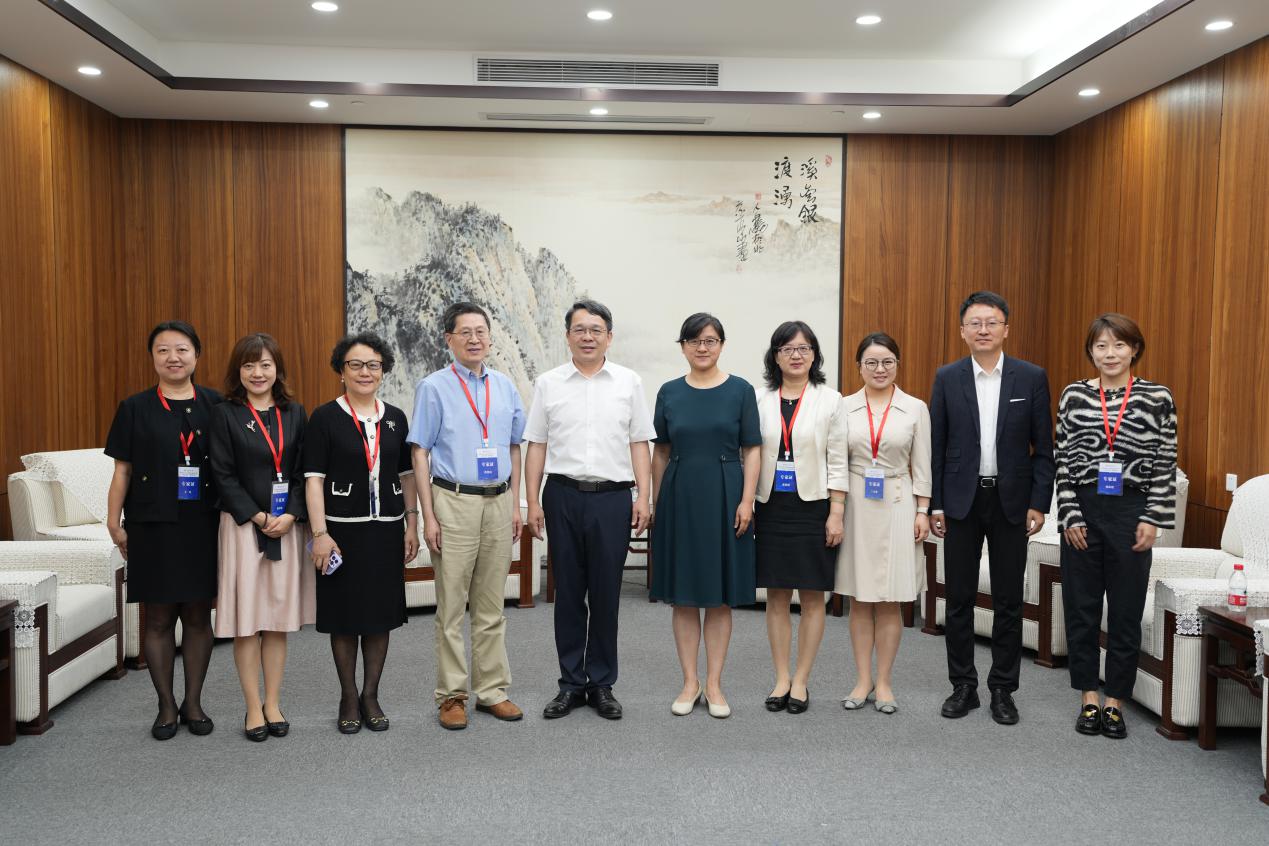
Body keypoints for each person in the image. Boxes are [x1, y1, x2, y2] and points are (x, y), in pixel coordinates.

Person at [525, 300, 656, 721]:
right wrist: (532, 501)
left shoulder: (628, 382)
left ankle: (601, 683)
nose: (587, 336)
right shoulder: (549, 383)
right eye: (579, 329)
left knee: (605, 594)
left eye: (595, 330)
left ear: (608, 337)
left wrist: (643, 497)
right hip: (562, 495)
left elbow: (639, 442)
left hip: (612, 499)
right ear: (568, 336)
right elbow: (537, 444)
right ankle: (569, 683)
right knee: (567, 594)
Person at [929, 291, 1055, 725]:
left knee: (1008, 600)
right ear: (963, 331)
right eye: (975, 323)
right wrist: (936, 504)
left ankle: (1003, 688)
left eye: (992, 322)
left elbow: (1044, 448)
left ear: (1006, 329)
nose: (983, 330)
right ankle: (963, 685)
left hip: (1012, 502)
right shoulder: (947, 377)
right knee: (958, 598)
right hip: (960, 501)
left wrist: (1039, 501)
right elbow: (937, 446)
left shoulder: (1031, 377)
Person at [1056, 314, 1177, 739]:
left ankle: (1115, 702)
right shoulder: (1073, 395)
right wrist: (1069, 513)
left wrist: (1153, 517)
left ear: (1134, 349)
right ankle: (1089, 696)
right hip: (1083, 509)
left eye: (1119, 345)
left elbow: (1165, 461)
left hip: (1132, 510)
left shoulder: (1157, 397)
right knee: (1081, 608)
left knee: (1125, 610)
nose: (1110, 354)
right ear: (1091, 352)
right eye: (1101, 346)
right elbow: (1062, 459)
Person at [409, 303, 526, 731]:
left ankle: (492, 690)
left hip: (498, 501)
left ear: (490, 338)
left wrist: (515, 504)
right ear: (449, 339)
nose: (474, 339)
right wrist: (429, 516)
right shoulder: (433, 387)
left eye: (481, 331)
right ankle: (452, 695)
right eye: (465, 332)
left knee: (492, 605)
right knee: (452, 607)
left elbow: (514, 446)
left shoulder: (505, 386)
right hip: (453, 501)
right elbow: (419, 452)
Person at [105, 321, 223, 740]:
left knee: (197, 615)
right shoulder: (134, 408)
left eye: (182, 349)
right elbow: (122, 470)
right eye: (163, 350)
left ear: (196, 355)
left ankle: (193, 702)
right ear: (153, 357)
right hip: (151, 524)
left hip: (203, 523)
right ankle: (166, 705)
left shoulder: (216, 404)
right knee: (157, 617)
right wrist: (113, 522)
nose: (173, 357)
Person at [304, 332, 419, 734]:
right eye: (355, 364)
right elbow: (314, 480)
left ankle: (371, 695)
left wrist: (412, 523)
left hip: (386, 531)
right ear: (342, 371)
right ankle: (348, 696)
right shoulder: (325, 418)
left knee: (379, 616)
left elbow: (406, 475)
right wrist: (320, 533)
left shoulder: (396, 418)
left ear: (383, 370)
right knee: (344, 618)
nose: (365, 372)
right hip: (340, 533)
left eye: (373, 365)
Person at [651, 313, 762, 719]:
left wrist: (747, 500)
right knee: (683, 596)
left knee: (718, 598)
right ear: (683, 346)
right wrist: (656, 503)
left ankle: (714, 684)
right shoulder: (669, 392)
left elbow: (752, 448)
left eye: (710, 340)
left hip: (726, 496)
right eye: (694, 340)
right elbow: (661, 450)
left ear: (721, 345)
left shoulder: (740, 390)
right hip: (680, 495)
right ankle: (689, 682)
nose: (702, 347)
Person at [209, 333, 314, 742]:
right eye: (249, 365)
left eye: (266, 364)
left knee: (276, 621)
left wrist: (290, 515)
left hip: (285, 527)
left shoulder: (295, 413)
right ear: (238, 371)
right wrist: (257, 515)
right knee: (247, 621)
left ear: (277, 370)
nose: (258, 372)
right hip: (242, 528)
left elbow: (305, 471)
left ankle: (273, 702)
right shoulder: (225, 414)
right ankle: (253, 707)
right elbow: (222, 474)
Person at [753, 321, 846, 715]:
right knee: (776, 595)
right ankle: (781, 678)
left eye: (804, 348)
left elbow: (838, 459)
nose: (796, 355)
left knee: (812, 596)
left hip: (814, 507)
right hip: (771, 505)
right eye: (787, 348)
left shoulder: (830, 400)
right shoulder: (759, 399)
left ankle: (802, 680)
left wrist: (837, 512)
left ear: (814, 355)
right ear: (775, 356)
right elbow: (749, 454)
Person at [835, 333, 931, 714]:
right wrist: (835, 510)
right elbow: (836, 462)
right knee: (859, 598)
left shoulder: (915, 408)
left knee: (890, 599)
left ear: (897, 365)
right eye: (871, 362)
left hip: (897, 502)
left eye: (887, 362)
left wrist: (923, 510)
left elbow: (922, 464)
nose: (880, 369)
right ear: (859, 366)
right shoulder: (843, 407)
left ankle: (885, 682)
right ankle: (863, 680)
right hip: (856, 503)